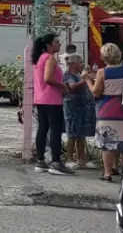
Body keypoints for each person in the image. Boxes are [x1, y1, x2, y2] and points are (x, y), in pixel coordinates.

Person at [92, 43, 123, 182]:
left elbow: (96, 92)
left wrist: (88, 80)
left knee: (107, 144)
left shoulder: (102, 72)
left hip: (106, 110)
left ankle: (107, 173)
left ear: (103, 56)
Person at [33, 33, 74, 175]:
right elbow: (48, 78)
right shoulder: (50, 59)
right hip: (52, 99)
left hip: (40, 98)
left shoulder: (40, 58)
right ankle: (56, 162)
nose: (59, 44)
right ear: (49, 45)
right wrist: (63, 85)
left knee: (42, 129)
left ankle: (40, 160)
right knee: (55, 130)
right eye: (56, 42)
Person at [62, 54, 97, 169]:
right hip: (72, 108)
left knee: (81, 134)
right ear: (73, 64)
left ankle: (82, 158)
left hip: (82, 108)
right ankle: (70, 159)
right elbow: (72, 87)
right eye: (80, 62)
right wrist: (86, 80)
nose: (82, 64)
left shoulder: (79, 74)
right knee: (72, 134)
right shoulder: (68, 75)